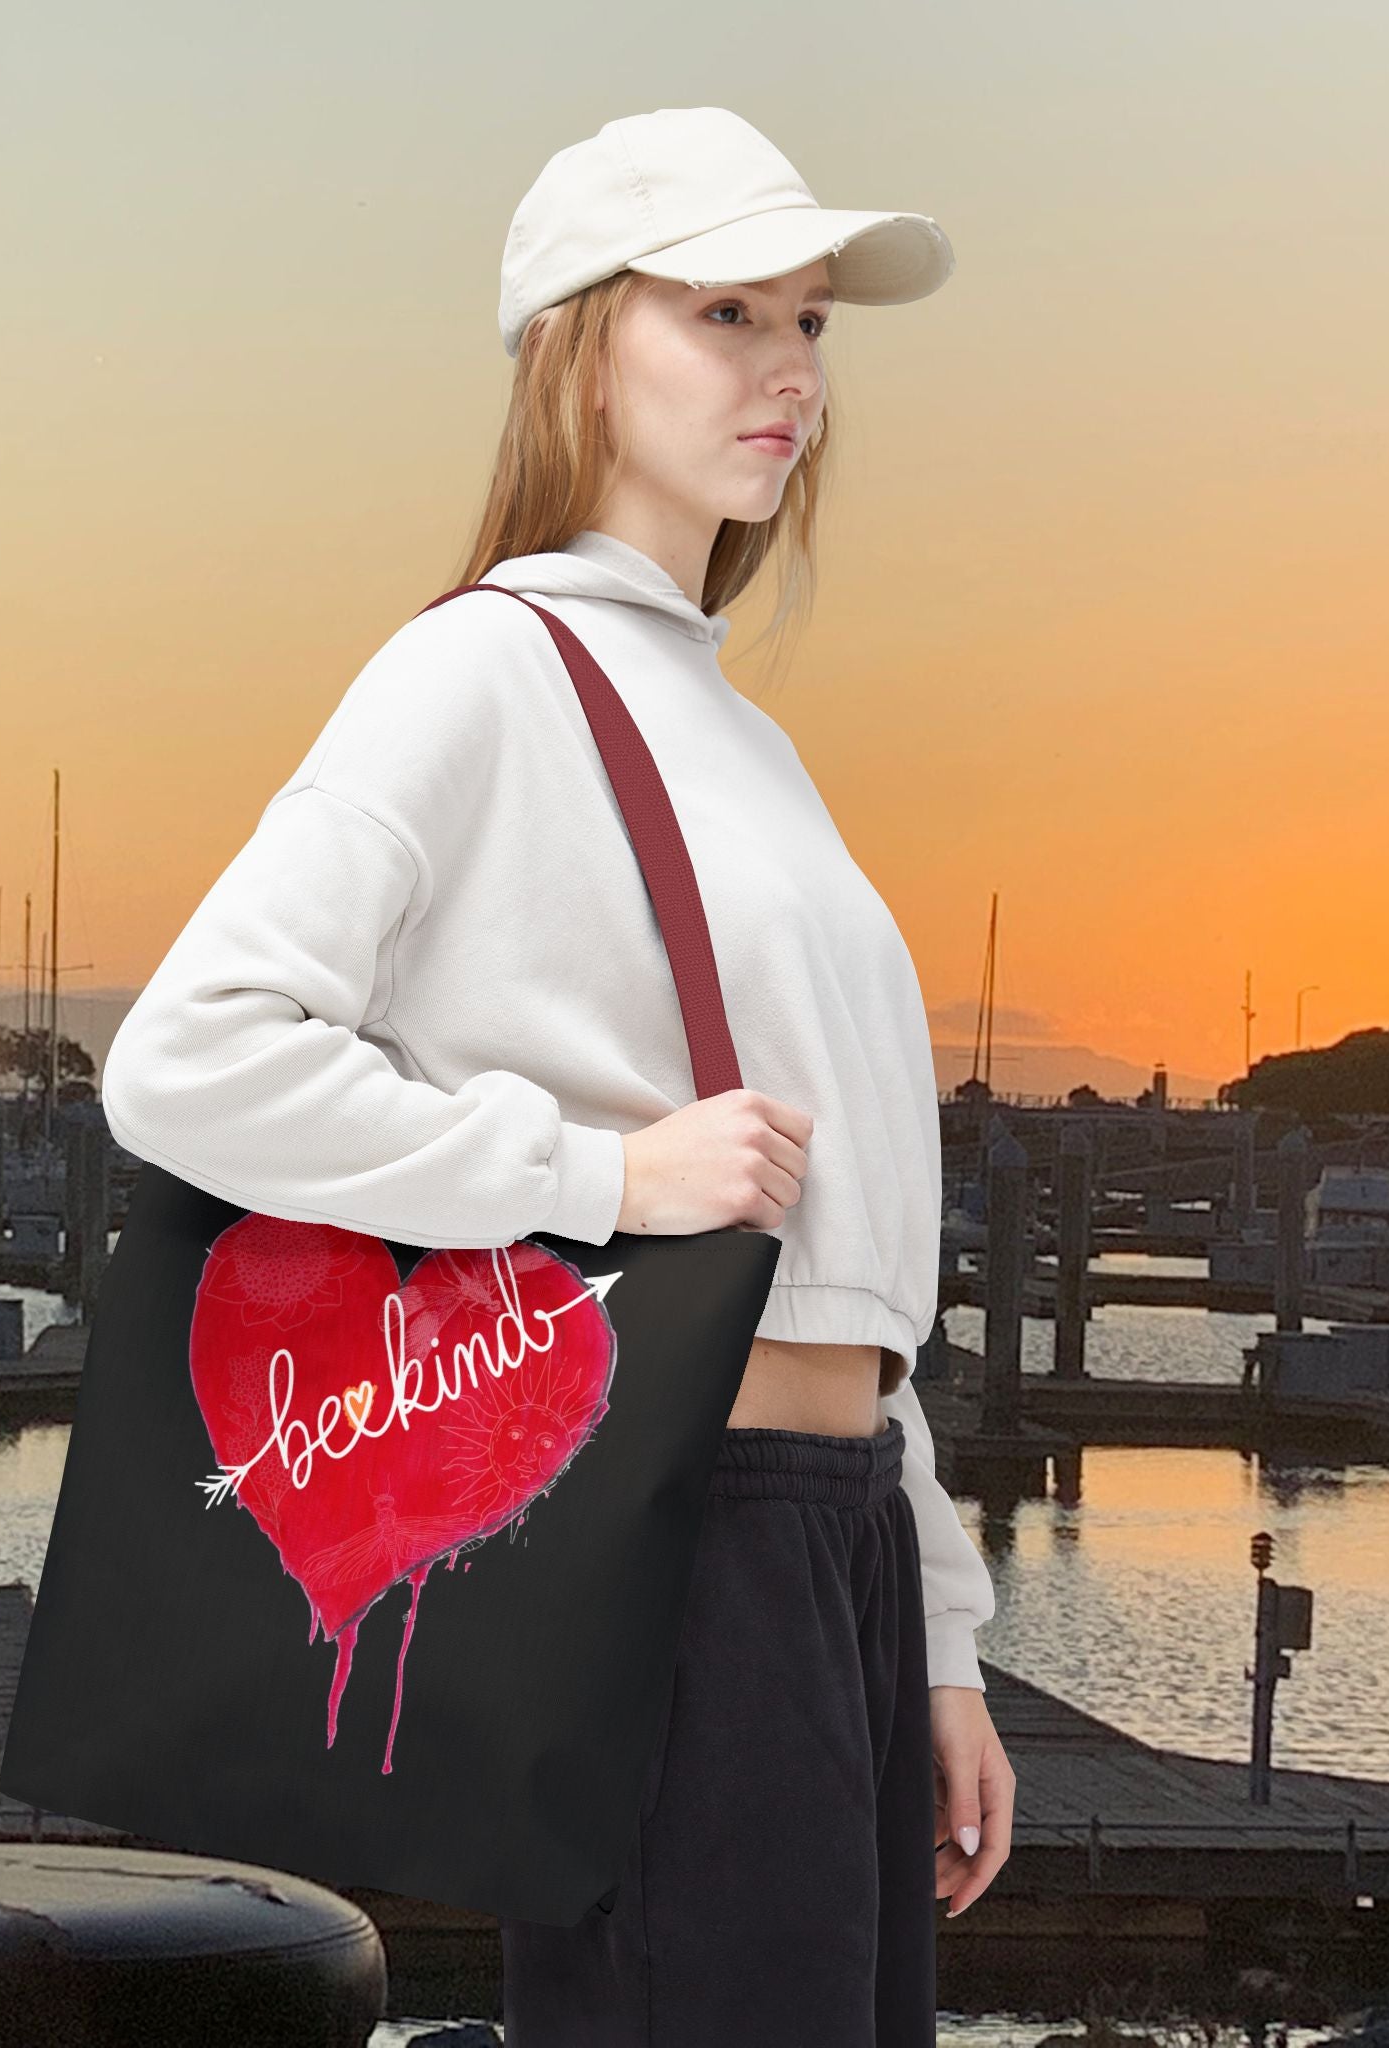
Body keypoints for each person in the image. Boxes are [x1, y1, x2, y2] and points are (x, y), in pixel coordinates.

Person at [100, 103, 1013, 2047]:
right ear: (577, 351)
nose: (789, 367)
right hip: (672, 1529)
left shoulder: (748, 744)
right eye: (724, 312)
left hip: (826, 1536)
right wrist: (593, 1176)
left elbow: (841, 1252)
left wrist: (934, 1634)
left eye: (811, 323)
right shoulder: (482, 673)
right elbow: (186, 1061)